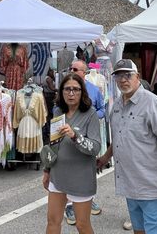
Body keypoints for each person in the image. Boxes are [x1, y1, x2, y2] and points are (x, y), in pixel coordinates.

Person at [97, 59, 157, 234]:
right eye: (119, 75)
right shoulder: (118, 105)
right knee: (139, 231)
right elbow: (119, 137)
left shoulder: (152, 103)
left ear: (137, 77)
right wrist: (105, 158)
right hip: (130, 187)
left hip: (152, 189)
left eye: (128, 75)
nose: (123, 79)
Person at [44, 73, 101, 234]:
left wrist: (75, 136)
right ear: (61, 91)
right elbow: (53, 145)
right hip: (58, 176)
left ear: (82, 92)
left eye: (75, 89)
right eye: (67, 89)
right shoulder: (58, 112)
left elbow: (95, 148)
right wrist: (47, 170)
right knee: (53, 221)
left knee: (82, 225)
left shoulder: (90, 114)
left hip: (81, 178)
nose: (71, 93)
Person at [64, 60, 105, 224]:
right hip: (68, 137)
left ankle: (88, 198)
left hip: (90, 136)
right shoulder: (65, 88)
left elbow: (102, 108)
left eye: (75, 69)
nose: (71, 70)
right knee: (68, 167)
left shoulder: (94, 90)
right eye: (70, 68)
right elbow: (57, 108)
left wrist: (92, 118)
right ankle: (69, 205)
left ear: (84, 72)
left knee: (89, 167)